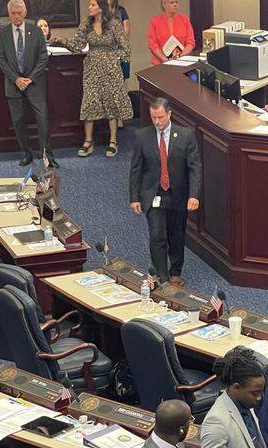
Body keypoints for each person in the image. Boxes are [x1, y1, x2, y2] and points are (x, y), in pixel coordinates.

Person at [129, 97, 201, 286]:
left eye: (160, 117)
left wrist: (194, 195)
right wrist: (134, 197)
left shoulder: (185, 135)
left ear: (169, 114)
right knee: (157, 235)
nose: (157, 122)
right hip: (153, 194)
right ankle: (162, 275)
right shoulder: (142, 136)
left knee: (176, 235)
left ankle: (175, 271)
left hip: (178, 194)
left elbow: (194, 168)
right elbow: (136, 168)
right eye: (153, 118)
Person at [64, 0, 132, 158]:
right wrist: (62, 41)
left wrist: (113, 58)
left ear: (101, 7)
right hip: (91, 70)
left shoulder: (114, 24)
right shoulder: (85, 25)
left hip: (111, 70)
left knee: (111, 103)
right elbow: (77, 45)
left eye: (92, 5)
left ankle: (113, 141)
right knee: (89, 102)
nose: (89, 7)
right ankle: (88, 142)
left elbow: (125, 48)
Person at [0, 0, 53, 168]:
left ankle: (47, 155)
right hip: (14, 84)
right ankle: (27, 153)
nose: (16, 16)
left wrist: (31, 78)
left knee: (42, 119)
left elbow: (43, 56)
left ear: (25, 13)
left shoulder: (35, 31)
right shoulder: (3, 33)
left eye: (19, 13)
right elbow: (2, 60)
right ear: (9, 14)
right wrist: (16, 79)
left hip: (34, 83)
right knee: (18, 121)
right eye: (13, 13)